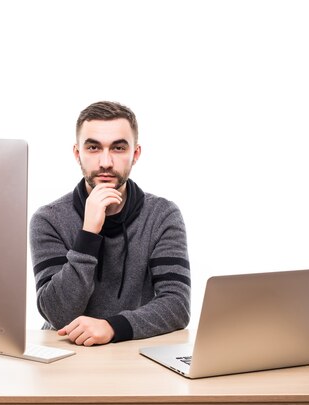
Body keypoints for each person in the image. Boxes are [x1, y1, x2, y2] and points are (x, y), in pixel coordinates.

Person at [30, 101, 190, 346]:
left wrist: (112, 327)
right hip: (66, 354)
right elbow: (58, 314)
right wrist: (88, 234)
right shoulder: (49, 220)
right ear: (77, 154)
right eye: (93, 147)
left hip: (132, 351)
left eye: (118, 148)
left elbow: (177, 304)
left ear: (135, 154)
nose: (105, 162)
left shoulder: (162, 215)